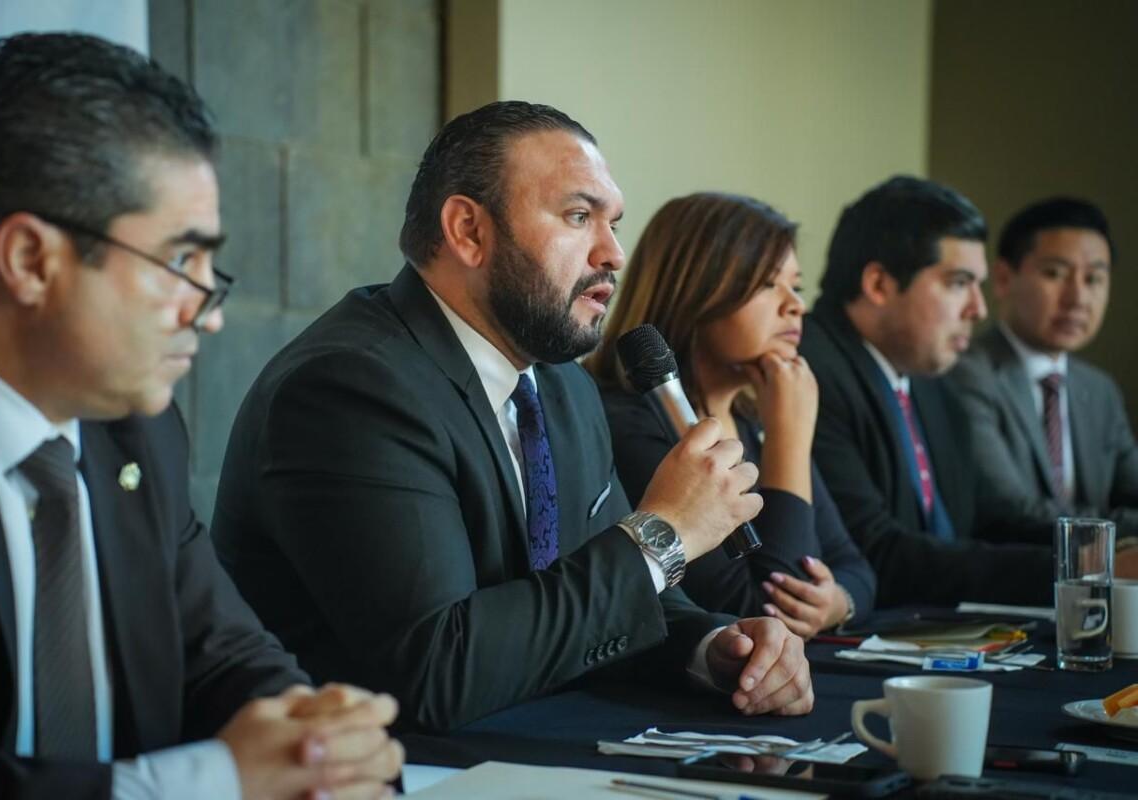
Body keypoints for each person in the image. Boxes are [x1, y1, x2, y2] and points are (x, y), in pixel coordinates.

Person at [212, 101, 814, 733]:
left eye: (614, 223)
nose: (612, 253)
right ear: (469, 231)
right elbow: (438, 669)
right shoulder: (351, 387)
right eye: (579, 217)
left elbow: (598, 600)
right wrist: (661, 534)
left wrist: (717, 649)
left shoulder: (559, 385)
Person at [0, 33, 401, 799]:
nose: (207, 314)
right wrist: (202, 783)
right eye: (178, 263)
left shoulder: (138, 434)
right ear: (29, 260)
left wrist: (317, 737)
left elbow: (219, 652)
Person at [585, 192, 875, 638]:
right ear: (694, 290)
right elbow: (761, 609)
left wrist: (839, 601)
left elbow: (854, 563)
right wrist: (789, 442)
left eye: (795, 286)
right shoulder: (628, 420)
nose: (794, 305)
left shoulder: (757, 414)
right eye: (765, 284)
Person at [797, 176, 1053, 608]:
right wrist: (1074, 571)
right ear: (879, 284)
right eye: (958, 283)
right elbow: (876, 552)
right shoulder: (809, 369)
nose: (978, 308)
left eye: (979, 284)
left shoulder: (930, 377)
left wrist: (1098, 552)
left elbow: (984, 520)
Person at [948, 198, 1138, 544]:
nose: (1078, 298)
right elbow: (1009, 512)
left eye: (1094, 278)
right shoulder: (966, 373)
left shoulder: (1100, 389)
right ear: (1004, 279)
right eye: (1054, 273)